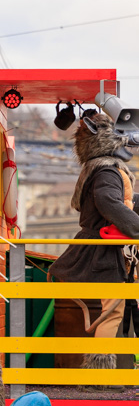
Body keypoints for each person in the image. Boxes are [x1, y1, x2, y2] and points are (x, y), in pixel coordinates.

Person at [50, 112, 139, 370]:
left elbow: (120, 201)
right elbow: (109, 203)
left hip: (102, 248)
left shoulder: (101, 170)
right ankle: (100, 373)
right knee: (112, 311)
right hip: (104, 251)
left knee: (113, 310)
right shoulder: (107, 172)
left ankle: (104, 372)